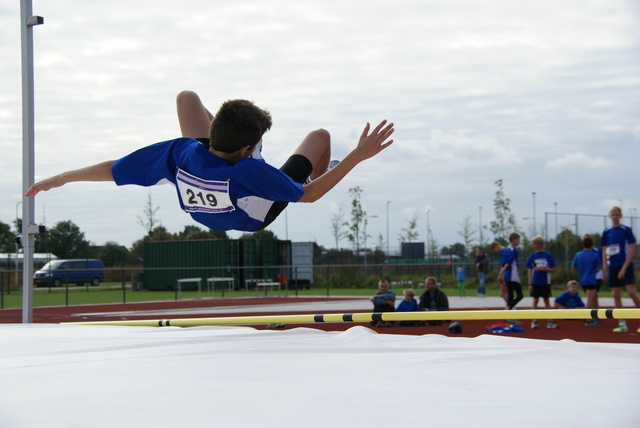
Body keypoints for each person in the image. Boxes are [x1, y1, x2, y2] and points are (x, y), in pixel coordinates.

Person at [25, 91, 394, 233]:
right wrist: (357, 158)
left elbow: (113, 169)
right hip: (255, 211)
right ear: (250, 148)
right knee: (320, 137)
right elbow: (308, 197)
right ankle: (324, 169)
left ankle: (226, 136)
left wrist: (64, 177)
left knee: (186, 98)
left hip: (210, 168)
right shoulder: (256, 172)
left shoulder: (182, 151)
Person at [601, 206, 640, 333]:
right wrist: (605, 268)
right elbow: (605, 250)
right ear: (609, 216)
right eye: (612, 214)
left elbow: (632, 249)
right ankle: (622, 322)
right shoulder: (606, 231)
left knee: (631, 293)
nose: (614, 217)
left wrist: (624, 268)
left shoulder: (626, 230)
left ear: (620, 216)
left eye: (617, 214)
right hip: (612, 265)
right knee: (615, 294)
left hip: (625, 264)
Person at [526, 235, 558, 329]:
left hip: (545, 282)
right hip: (535, 282)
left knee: (546, 301)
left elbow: (553, 269)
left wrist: (543, 270)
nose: (532, 246)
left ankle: (550, 320)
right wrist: (530, 283)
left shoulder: (548, 255)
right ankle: (534, 320)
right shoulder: (532, 256)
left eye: (534, 244)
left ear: (539, 244)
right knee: (535, 301)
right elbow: (530, 270)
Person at [572, 234, 602, 326]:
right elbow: (598, 268)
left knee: (592, 298)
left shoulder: (578, 254)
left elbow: (574, 267)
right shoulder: (595, 255)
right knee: (590, 300)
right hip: (591, 279)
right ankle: (588, 318)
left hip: (582, 280)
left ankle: (596, 316)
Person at [497, 233, 522, 311]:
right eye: (518, 240)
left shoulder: (504, 250)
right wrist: (503, 271)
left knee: (510, 295)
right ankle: (508, 309)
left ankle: (508, 312)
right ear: (513, 240)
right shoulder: (513, 250)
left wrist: (502, 273)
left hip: (507, 275)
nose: (519, 242)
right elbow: (508, 263)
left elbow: (502, 263)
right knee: (520, 295)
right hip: (512, 274)